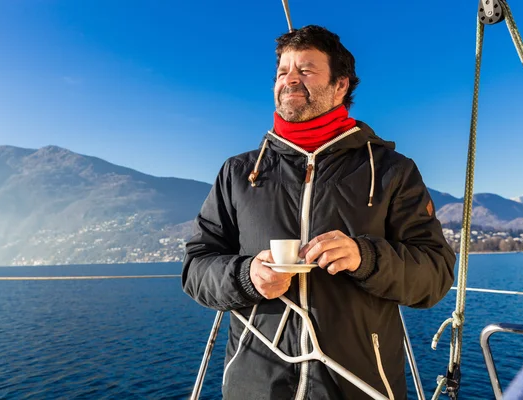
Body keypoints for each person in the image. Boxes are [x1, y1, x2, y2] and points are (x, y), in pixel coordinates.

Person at [182, 25, 456, 400]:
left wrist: (367, 257)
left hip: (361, 386)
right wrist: (247, 276)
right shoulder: (239, 173)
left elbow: (435, 275)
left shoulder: (392, 170)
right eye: (283, 72)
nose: (290, 80)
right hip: (257, 386)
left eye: (306, 70)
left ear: (341, 85)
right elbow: (196, 267)